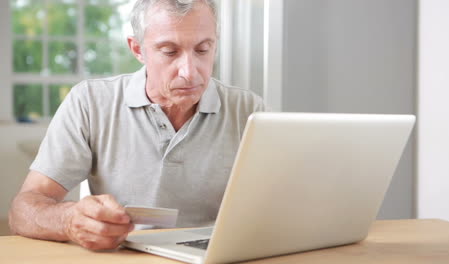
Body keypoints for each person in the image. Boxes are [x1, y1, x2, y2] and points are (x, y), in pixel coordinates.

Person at [8, 0, 266, 251]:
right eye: (169, 52)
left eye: (202, 50)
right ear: (138, 49)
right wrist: (68, 220)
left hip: (218, 256)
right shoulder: (90, 102)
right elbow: (22, 211)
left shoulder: (248, 110)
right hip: (124, 255)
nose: (189, 71)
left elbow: (280, 207)